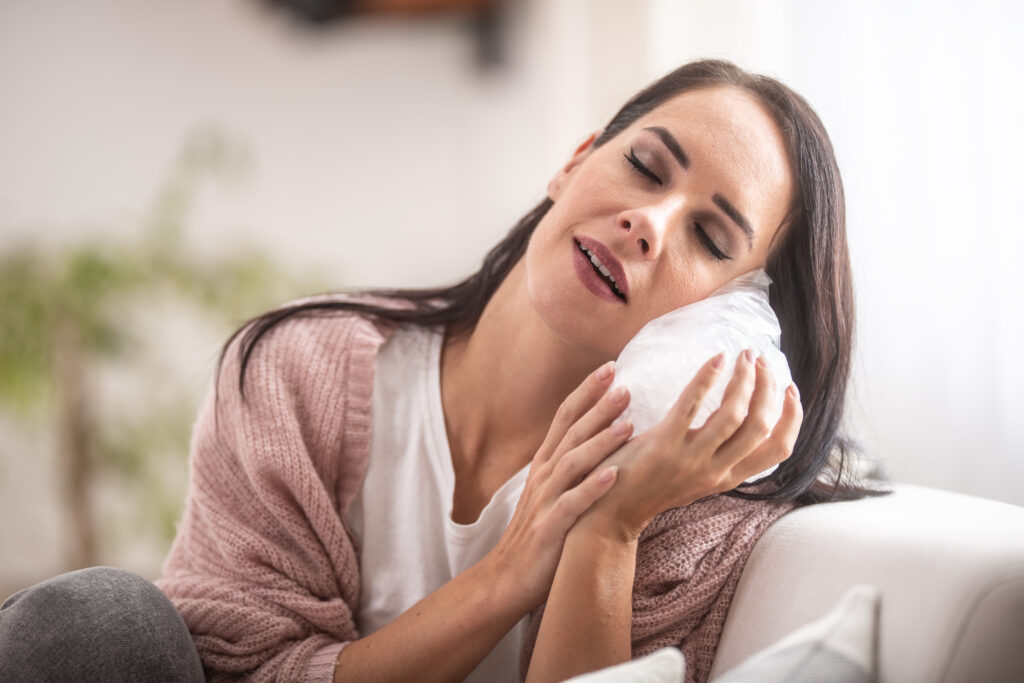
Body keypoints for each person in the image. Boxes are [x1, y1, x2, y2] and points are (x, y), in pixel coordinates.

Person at [0, 59, 867, 683]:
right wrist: (505, 575)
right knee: (98, 621)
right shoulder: (298, 373)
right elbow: (244, 669)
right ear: (576, 159)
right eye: (645, 165)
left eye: (710, 238)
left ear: (738, 313)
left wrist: (609, 528)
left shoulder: (691, 507)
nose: (648, 220)